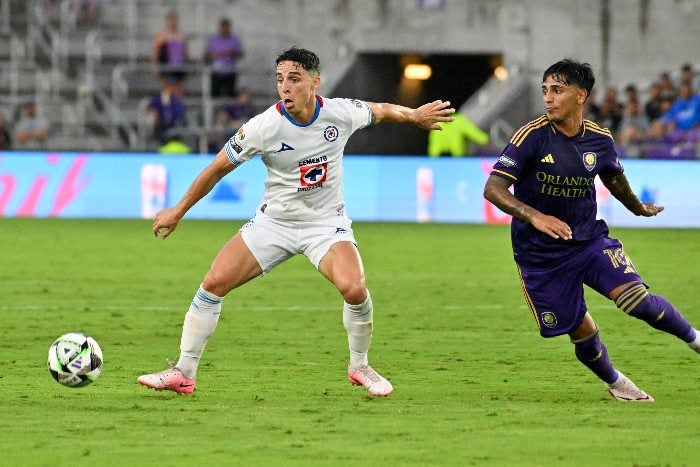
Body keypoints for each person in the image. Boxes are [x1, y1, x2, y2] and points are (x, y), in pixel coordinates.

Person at [137, 46, 455, 396]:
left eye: (294, 79)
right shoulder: (262, 128)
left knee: (355, 288)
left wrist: (413, 115)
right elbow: (216, 169)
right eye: (280, 80)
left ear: (314, 83)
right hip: (274, 224)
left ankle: (360, 366)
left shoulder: (340, 113)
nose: (285, 87)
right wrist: (178, 209)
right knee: (213, 283)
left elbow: (380, 110)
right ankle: (183, 372)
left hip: (325, 225)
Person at [483, 59, 700, 402]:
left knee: (636, 300)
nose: (549, 98)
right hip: (540, 256)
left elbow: (613, 177)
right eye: (545, 91)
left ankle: (696, 340)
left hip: (587, 240)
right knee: (579, 330)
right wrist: (534, 216)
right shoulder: (531, 137)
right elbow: (493, 189)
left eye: (557, 90)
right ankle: (617, 383)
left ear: (580, 95)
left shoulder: (599, 139)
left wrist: (637, 207)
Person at [151, 9, 188, 97]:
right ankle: (167, 108)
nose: (173, 22)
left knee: (179, 91)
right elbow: (155, 52)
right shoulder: (161, 35)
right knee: (167, 91)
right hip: (167, 66)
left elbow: (185, 52)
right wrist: (155, 67)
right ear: (167, 21)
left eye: (175, 20)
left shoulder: (182, 35)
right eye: (171, 20)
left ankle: (178, 108)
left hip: (179, 67)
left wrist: (186, 66)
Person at [204, 18, 245, 98]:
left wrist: (231, 53)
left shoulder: (234, 40)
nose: (224, 29)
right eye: (223, 27)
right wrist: (216, 54)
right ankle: (215, 110)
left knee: (230, 95)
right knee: (215, 95)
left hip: (230, 72)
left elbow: (241, 53)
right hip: (216, 72)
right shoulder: (213, 39)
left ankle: (229, 110)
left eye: (226, 27)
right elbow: (206, 55)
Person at [146, 78, 187, 145]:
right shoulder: (158, 98)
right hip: (160, 125)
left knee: (176, 132)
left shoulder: (175, 100)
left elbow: (179, 114)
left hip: (173, 125)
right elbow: (149, 108)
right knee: (161, 134)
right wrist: (154, 115)